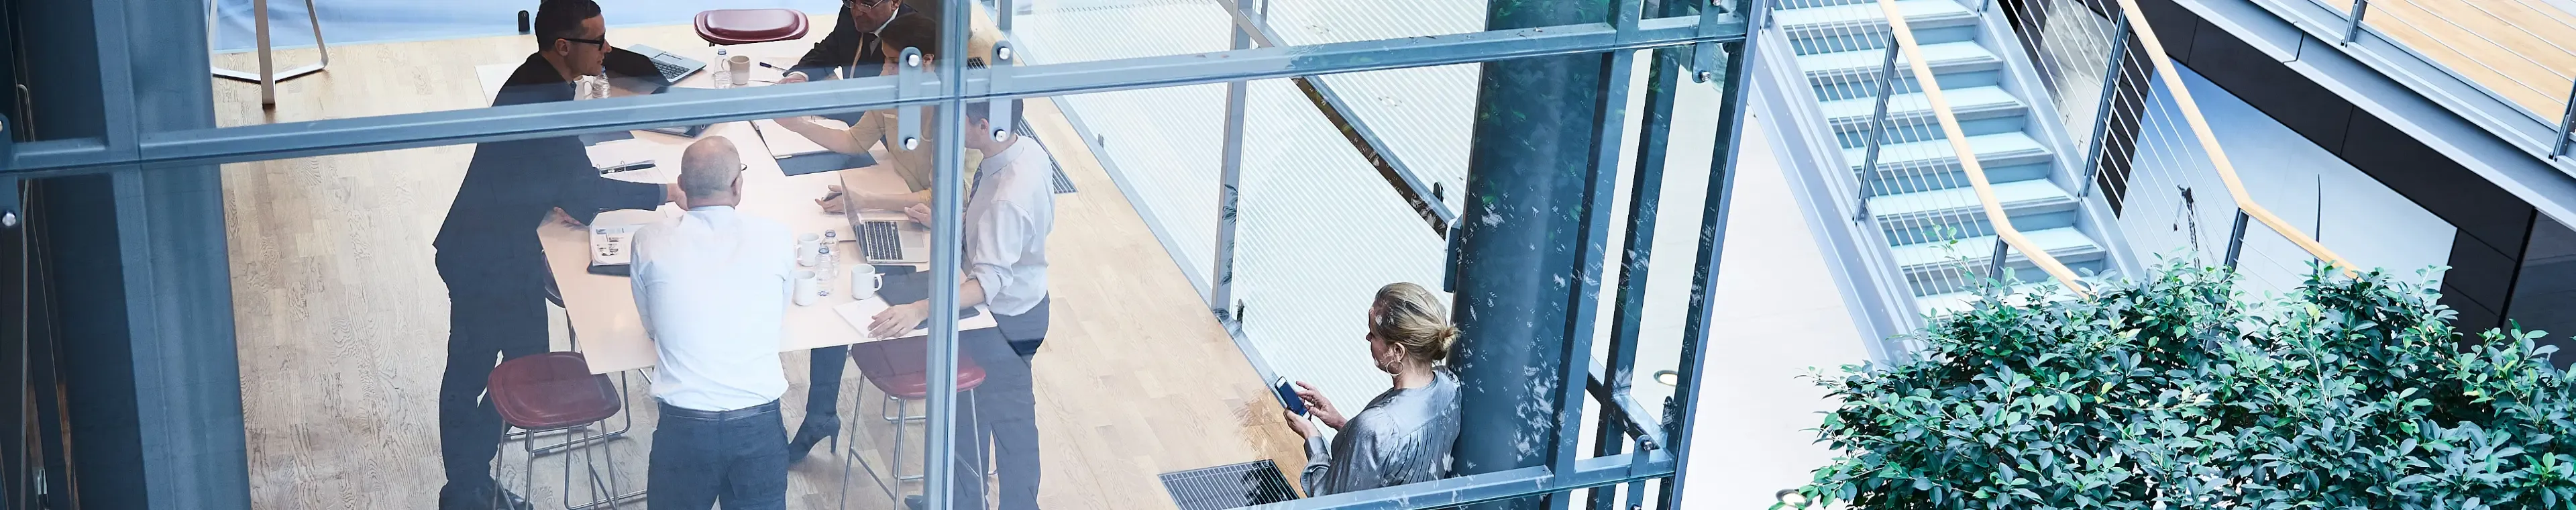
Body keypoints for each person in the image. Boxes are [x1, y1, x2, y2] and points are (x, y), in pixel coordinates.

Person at [431, 1, 681, 508]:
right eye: (599, 41)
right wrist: (665, 193)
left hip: (504, 247)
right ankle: (465, 489)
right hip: (485, 260)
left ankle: (470, 479)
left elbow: (557, 177)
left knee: (525, 365)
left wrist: (556, 193)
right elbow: (587, 193)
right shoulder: (544, 97)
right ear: (563, 47)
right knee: (478, 375)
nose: (608, 50)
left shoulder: (539, 79)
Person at [771, 13, 987, 462]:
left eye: (892, 62)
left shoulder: (956, 112)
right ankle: (821, 413)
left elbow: (950, 195)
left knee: (844, 295)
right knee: (836, 292)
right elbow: (855, 140)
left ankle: (820, 415)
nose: (885, 70)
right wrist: (797, 125)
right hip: (903, 215)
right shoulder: (896, 95)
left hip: (942, 238)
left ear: (926, 60)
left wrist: (865, 198)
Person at [864, 97, 1051, 510]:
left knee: (1009, 423)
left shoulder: (1009, 196)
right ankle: (961, 499)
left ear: (983, 125)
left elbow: (987, 283)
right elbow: (1000, 239)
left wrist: (919, 310)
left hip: (1005, 318)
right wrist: (953, 225)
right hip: (1018, 302)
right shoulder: (1021, 152)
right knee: (968, 407)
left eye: (960, 119)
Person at [629, 137, 797, 510]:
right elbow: (777, 315)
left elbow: (652, 326)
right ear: (738, 185)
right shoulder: (777, 238)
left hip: (683, 428)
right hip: (758, 425)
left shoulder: (648, 241)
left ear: (683, 187)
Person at [1283, 283, 1464, 497]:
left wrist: (1311, 435)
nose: (1367, 338)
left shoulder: (1377, 428)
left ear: (1397, 351)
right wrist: (1341, 423)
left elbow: (1329, 500)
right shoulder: (1449, 385)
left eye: (1374, 334)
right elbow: (1389, 459)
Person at [788, 0, 944, 81]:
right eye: (852, 2)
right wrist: (800, 76)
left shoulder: (915, 35)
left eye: (867, 4)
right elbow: (832, 48)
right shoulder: (850, 12)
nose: (857, 11)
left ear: (895, 2)